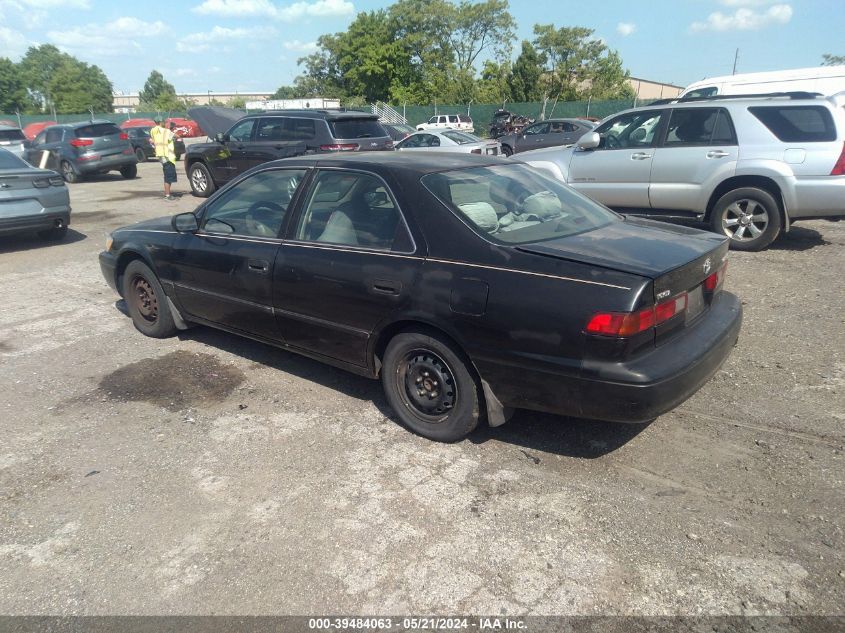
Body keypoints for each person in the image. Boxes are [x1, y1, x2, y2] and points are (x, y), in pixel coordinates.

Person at [150, 117, 177, 200]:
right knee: (168, 176)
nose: (165, 123)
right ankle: (167, 195)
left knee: (167, 175)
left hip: (160, 155)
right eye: (164, 122)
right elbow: (176, 136)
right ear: (160, 122)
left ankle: (167, 194)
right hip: (167, 155)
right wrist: (173, 131)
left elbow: (153, 139)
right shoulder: (166, 131)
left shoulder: (153, 130)